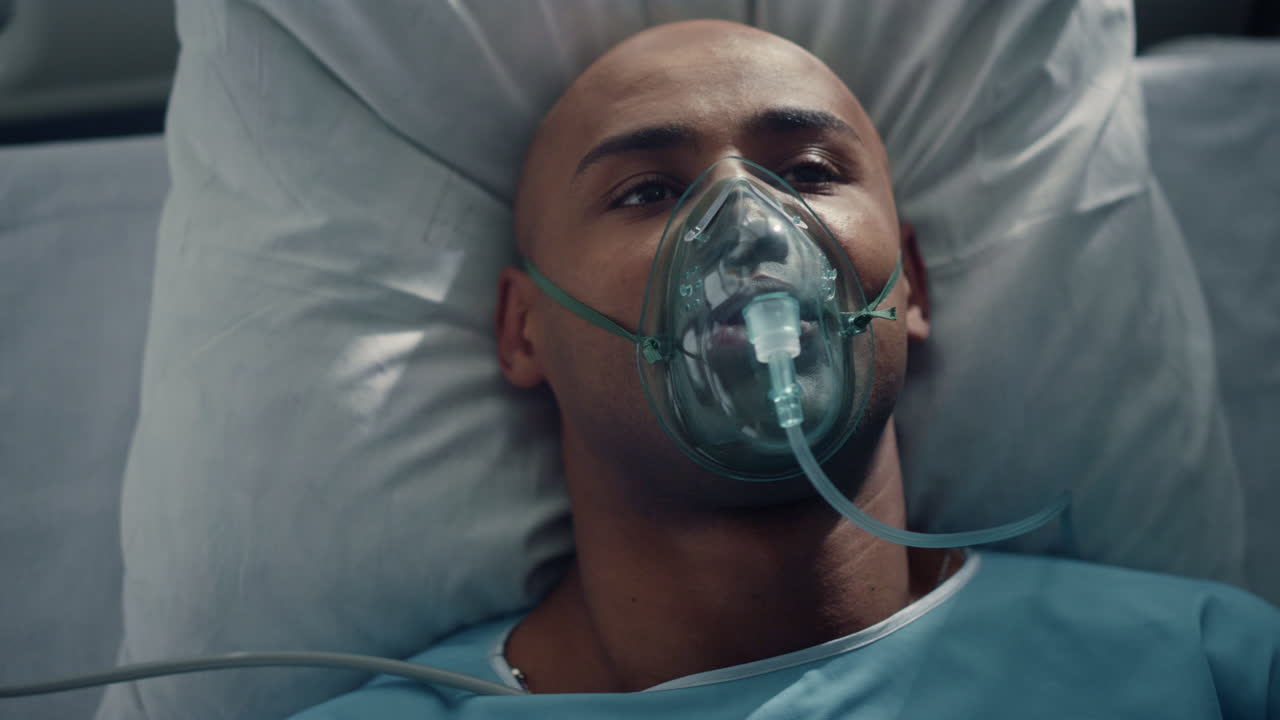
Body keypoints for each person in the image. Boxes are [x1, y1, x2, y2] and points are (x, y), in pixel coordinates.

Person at [292, 19, 1279, 719]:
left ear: (908, 284)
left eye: (807, 172)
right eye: (645, 191)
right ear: (522, 331)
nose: (748, 229)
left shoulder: (1208, 666)